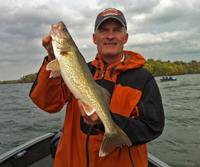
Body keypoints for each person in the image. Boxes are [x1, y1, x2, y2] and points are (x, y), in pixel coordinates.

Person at [29, 8, 164, 167]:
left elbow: (151, 127)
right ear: (94, 38)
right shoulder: (80, 69)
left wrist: (106, 122)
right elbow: (48, 103)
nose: (110, 36)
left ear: (125, 37)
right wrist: (52, 57)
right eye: (104, 30)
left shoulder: (143, 78)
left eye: (117, 30)